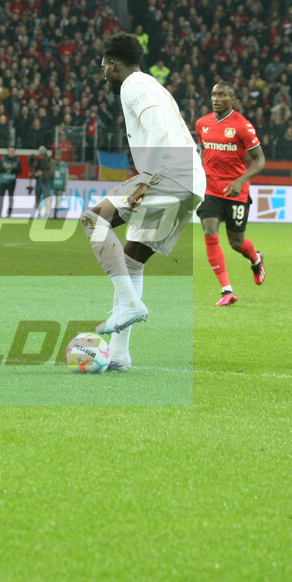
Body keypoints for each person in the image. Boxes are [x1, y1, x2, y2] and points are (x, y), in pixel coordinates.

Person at [84, 33, 205, 372]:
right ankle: (120, 354)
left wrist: (145, 178)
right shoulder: (153, 85)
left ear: (112, 64)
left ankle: (129, 304)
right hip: (190, 179)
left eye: (103, 68)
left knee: (93, 220)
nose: (103, 75)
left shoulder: (132, 86)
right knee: (131, 262)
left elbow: (157, 131)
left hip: (168, 174)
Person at [194, 81, 267, 307]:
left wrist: (241, 180)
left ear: (232, 100)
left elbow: (260, 160)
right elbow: (204, 154)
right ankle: (227, 290)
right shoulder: (202, 124)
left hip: (236, 192)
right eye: (214, 94)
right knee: (209, 231)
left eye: (222, 95)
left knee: (236, 242)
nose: (216, 98)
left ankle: (255, 258)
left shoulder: (243, 126)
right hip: (211, 190)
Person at [0, 146, 21, 217]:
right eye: (10, 151)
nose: (11, 153)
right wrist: (4, 168)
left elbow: (20, 171)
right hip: (3, 181)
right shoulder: (3, 159)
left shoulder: (17, 160)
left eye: (12, 151)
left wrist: (12, 169)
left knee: (10, 197)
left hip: (12, 181)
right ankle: (0, 212)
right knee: (1, 196)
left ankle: (9, 213)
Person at [30, 146, 53, 217]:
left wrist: (42, 173)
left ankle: (46, 213)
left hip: (46, 181)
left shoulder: (50, 161)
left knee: (46, 197)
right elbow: (33, 166)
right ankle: (39, 212)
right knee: (37, 197)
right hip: (39, 180)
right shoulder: (39, 161)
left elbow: (51, 172)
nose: (41, 156)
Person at [50, 151, 69, 219]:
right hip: (52, 185)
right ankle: (48, 214)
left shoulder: (64, 165)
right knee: (50, 200)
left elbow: (66, 176)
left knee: (58, 201)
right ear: (54, 156)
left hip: (60, 186)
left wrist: (65, 185)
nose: (57, 157)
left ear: (61, 157)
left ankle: (55, 214)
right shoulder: (51, 164)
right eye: (56, 155)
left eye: (59, 155)